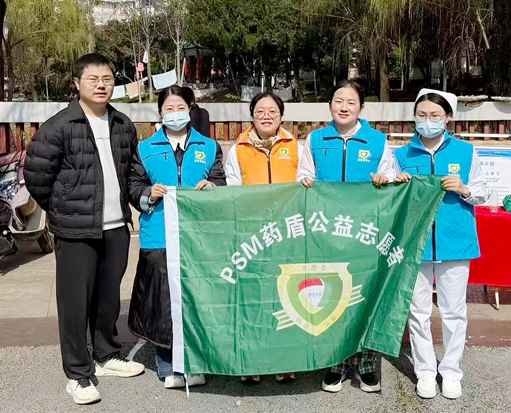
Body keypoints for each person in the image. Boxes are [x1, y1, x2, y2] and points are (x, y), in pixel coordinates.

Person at [24, 53, 144, 405]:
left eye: (107, 79)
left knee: (108, 298)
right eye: (93, 79)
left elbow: (132, 172)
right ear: (77, 84)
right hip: (76, 230)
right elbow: (36, 175)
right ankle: (78, 374)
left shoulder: (122, 124)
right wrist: (62, 209)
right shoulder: (59, 126)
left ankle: (105, 355)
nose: (101, 85)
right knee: (75, 303)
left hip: (116, 227)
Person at [296, 80, 395, 393]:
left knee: (363, 295)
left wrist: (385, 179)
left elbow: (391, 177)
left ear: (361, 108)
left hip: (364, 232)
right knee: (332, 294)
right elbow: (303, 174)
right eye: (338, 101)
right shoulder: (315, 139)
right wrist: (305, 181)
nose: (344, 107)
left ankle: (365, 364)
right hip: (327, 231)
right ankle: (335, 362)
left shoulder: (377, 141)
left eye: (351, 102)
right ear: (330, 106)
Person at [127, 85, 226, 389]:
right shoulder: (145, 148)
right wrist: (148, 193)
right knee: (164, 303)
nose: (174, 113)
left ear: (190, 108)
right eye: (168, 108)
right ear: (160, 112)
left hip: (198, 238)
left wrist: (212, 187)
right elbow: (133, 186)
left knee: (196, 299)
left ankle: (195, 363)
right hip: (159, 236)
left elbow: (221, 182)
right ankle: (168, 364)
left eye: (180, 107)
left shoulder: (209, 146)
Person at [393, 89, 488, 400]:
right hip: (415, 243)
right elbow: (391, 198)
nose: (428, 121)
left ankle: (450, 371)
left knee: (454, 311)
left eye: (435, 115)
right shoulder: (401, 156)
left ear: (448, 118)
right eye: (422, 115)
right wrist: (398, 187)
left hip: (455, 242)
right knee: (417, 311)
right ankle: (424, 371)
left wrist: (464, 188)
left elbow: (483, 192)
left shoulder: (466, 152)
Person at [224, 91, 302, 383]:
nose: (266, 116)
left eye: (272, 111)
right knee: (253, 297)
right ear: (252, 116)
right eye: (260, 111)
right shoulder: (238, 149)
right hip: (252, 234)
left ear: (281, 116)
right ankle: (251, 362)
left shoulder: (296, 147)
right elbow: (232, 190)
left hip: (287, 233)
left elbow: (307, 183)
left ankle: (285, 360)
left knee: (286, 295)